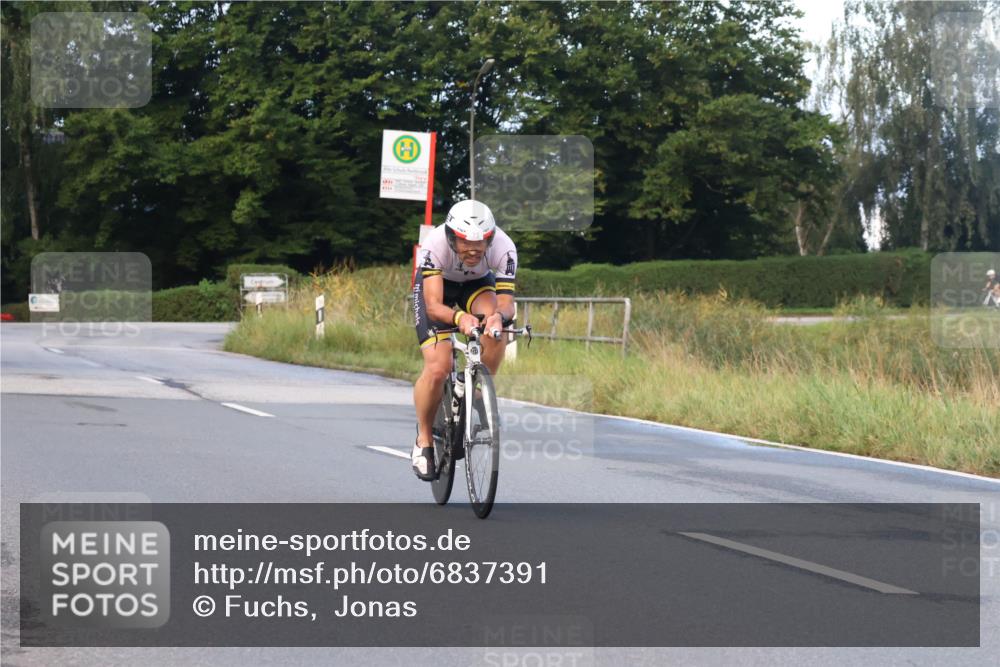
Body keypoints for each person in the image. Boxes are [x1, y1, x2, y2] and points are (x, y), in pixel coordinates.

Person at [410, 200, 518, 480]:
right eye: (464, 242)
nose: (472, 250)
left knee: (496, 330)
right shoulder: (434, 246)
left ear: (490, 238)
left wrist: (498, 318)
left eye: (480, 243)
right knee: (438, 368)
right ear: (450, 237)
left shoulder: (505, 248)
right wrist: (459, 319)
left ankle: (479, 391)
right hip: (438, 288)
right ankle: (424, 440)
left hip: (476, 285)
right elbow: (433, 306)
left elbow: (507, 303)